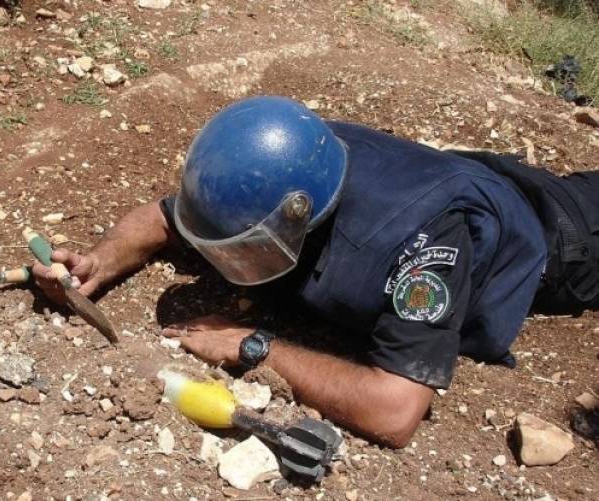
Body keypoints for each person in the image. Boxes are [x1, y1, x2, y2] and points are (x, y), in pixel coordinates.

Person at [33, 96, 599, 448]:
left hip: (568, 241)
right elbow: (167, 218)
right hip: (481, 178)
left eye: (242, 251)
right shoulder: (290, 152)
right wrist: (99, 261)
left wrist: (254, 346)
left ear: (297, 219)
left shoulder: (423, 244)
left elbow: (395, 410)